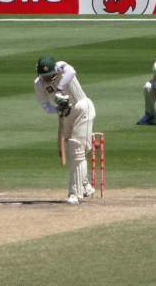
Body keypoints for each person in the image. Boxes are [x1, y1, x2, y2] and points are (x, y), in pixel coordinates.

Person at [34, 55, 96, 205]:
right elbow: (46, 107)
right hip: (65, 114)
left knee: (77, 148)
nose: (47, 79)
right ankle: (86, 185)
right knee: (70, 151)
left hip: (82, 109)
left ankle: (76, 194)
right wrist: (58, 108)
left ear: (54, 70)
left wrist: (59, 91)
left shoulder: (61, 67)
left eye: (49, 75)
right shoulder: (38, 84)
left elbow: (71, 72)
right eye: (44, 76)